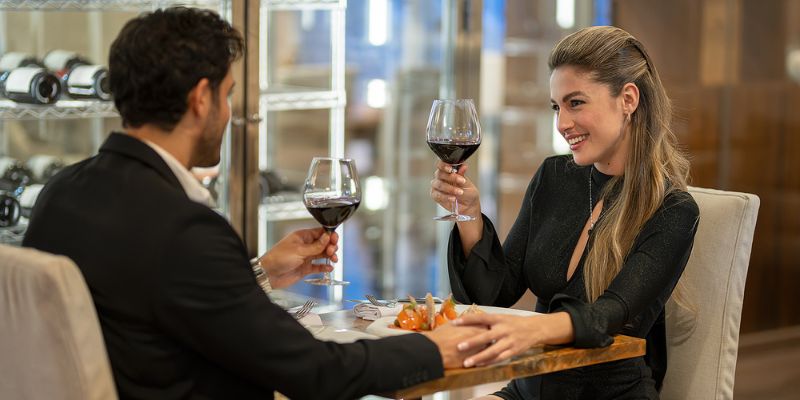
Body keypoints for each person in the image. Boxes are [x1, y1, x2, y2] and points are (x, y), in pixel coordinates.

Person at [23, 7, 483, 400]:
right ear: (201, 99)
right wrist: (433, 348)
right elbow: (316, 372)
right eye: (227, 95)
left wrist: (258, 272)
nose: (229, 114)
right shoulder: (185, 230)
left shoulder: (60, 193)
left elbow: (153, 302)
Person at [429, 26, 700, 399]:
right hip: (529, 389)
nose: (561, 124)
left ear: (628, 99)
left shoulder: (673, 210)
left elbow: (607, 315)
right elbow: (496, 291)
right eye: (556, 107)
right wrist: (470, 214)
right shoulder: (554, 176)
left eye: (576, 103)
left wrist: (530, 330)